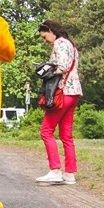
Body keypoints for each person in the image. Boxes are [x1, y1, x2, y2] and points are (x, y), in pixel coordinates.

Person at [35, 19, 82, 185]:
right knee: (66, 135)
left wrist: (46, 69)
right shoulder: (71, 45)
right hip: (74, 91)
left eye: (44, 36)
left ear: (50, 30)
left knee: (46, 131)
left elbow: (61, 66)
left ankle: (55, 170)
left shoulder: (60, 43)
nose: (45, 40)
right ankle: (70, 174)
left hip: (62, 92)